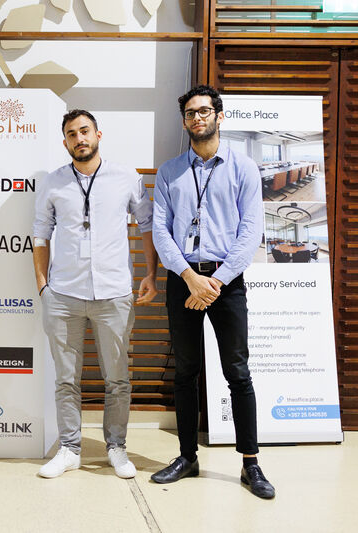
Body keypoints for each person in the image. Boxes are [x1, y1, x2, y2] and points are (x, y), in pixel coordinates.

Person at [151, 85, 275, 499]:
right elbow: (160, 233)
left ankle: (250, 464)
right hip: (183, 279)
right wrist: (190, 277)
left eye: (204, 111)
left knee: (237, 372)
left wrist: (216, 282)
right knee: (185, 372)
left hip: (226, 282)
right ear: (184, 121)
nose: (197, 118)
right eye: (190, 113)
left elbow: (250, 232)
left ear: (219, 116)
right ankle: (187, 456)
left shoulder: (243, 168)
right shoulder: (169, 172)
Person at [32, 109, 159, 479]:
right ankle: (70, 449)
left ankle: (116, 447)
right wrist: (44, 286)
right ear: (65, 142)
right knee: (66, 378)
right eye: (72, 134)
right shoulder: (54, 182)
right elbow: (40, 234)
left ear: (98, 134)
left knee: (117, 378)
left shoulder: (126, 178)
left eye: (85, 131)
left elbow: (146, 224)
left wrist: (151, 273)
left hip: (115, 293)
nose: (79, 139)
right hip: (64, 294)